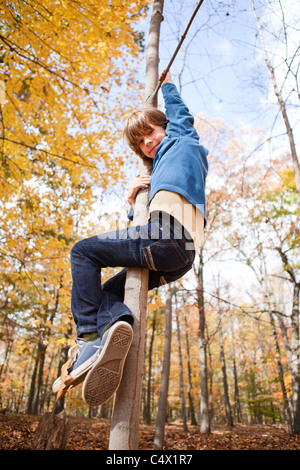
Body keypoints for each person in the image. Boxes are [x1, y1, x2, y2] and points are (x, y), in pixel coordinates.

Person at [53, 71, 208, 407]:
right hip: (178, 257)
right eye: (141, 141)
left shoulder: (181, 142)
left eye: (151, 131)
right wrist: (131, 203)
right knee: (108, 291)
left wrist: (167, 85)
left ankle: (89, 339)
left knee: (83, 252)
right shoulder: (156, 178)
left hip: (167, 238)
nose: (148, 141)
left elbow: (182, 115)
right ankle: (115, 328)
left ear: (165, 127)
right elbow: (141, 227)